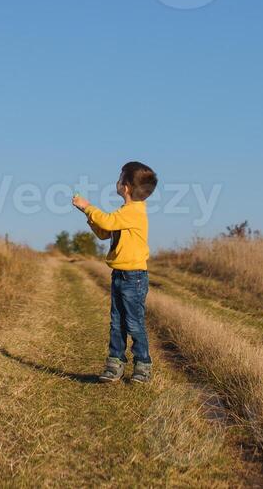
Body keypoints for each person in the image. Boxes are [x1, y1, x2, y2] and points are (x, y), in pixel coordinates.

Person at [72, 161, 157, 384]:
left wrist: (88, 206)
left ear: (126, 187)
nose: (117, 181)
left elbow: (108, 222)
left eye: (119, 178)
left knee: (134, 322)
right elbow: (104, 232)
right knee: (116, 321)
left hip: (134, 277)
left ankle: (143, 364)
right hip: (119, 275)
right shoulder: (124, 212)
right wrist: (88, 216)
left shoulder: (135, 212)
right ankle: (115, 363)